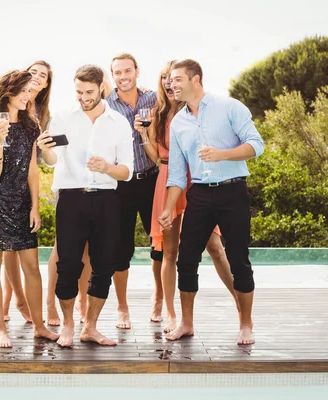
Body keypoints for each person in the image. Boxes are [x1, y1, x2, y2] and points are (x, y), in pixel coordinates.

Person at [158, 59, 264, 345]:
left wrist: (223, 154)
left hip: (233, 192)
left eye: (178, 79)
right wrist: (168, 208)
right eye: (170, 80)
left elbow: (256, 145)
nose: (172, 84)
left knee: (239, 260)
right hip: (200, 195)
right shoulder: (178, 122)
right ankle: (187, 323)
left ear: (196, 79)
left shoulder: (229, 107)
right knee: (186, 260)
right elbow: (178, 173)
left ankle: (245, 324)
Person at [37, 64, 133, 347]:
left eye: (89, 91)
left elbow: (126, 171)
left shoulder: (118, 123)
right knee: (68, 264)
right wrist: (45, 150)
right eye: (79, 91)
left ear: (102, 87)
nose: (83, 97)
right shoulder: (64, 119)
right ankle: (68, 326)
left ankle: (90, 327)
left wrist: (107, 167)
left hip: (106, 198)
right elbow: (53, 160)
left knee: (104, 266)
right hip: (71, 197)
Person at [141, 61, 240, 332]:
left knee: (215, 248)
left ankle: (239, 302)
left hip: (197, 179)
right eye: (164, 78)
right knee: (169, 253)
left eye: (173, 78)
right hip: (168, 180)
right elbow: (157, 157)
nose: (169, 83)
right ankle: (172, 314)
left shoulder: (197, 109)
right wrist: (143, 135)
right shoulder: (157, 114)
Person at [0, 70, 59, 348]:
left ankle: (40, 327)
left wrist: (35, 207)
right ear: (8, 93)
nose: (27, 96)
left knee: (32, 268)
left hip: (22, 204)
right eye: (22, 92)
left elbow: (33, 170)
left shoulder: (31, 126)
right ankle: (0, 329)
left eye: (28, 91)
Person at [106, 53, 161, 329]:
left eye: (128, 70)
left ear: (137, 71)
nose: (123, 76)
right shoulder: (106, 106)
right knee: (120, 248)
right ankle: (122, 308)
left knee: (159, 244)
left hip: (152, 180)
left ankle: (159, 299)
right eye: (118, 72)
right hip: (122, 186)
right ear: (112, 75)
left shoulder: (153, 99)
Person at [1, 60, 54, 323]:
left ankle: (18, 301)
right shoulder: (11, 104)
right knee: (7, 249)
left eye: (42, 75)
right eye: (33, 72)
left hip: (27, 179)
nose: (36, 77)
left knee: (21, 246)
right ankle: (14, 300)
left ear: (46, 84)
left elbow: (39, 156)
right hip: (3, 183)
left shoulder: (43, 114)